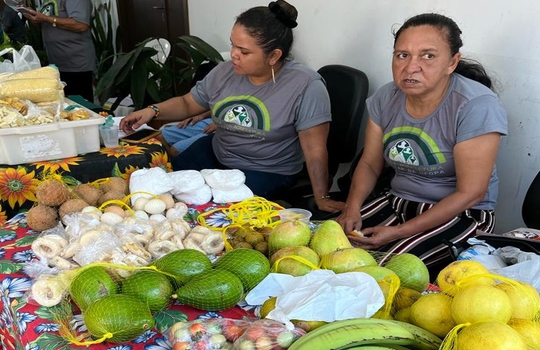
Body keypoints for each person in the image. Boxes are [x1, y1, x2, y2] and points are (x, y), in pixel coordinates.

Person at [120, 0, 344, 213]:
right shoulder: (224, 72)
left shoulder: (305, 85)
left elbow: (314, 151)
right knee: (163, 189)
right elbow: (188, 103)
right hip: (217, 152)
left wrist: (322, 198)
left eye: (244, 51)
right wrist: (152, 111)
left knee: (211, 210)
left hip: (266, 169)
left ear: (274, 55)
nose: (234, 55)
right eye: (233, 45)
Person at [336, 13, 508, 272]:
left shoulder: (475, 106)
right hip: (397, 201)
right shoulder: (386, 97)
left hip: (460, 214)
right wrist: (351, 209)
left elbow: (471, 192)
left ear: (452, 62)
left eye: (428, 56)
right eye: (402, 55)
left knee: (384, 270)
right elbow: (371, 164)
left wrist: (398, 233)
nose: (410, 67)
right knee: (327, 248)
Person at [22, 0, 96, 102]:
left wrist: (47, 19)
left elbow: (81, 25)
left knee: (80, 107)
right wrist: (35, 18)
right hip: (57, 63)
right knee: (64, 106)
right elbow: (48, 25)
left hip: (76, 63)